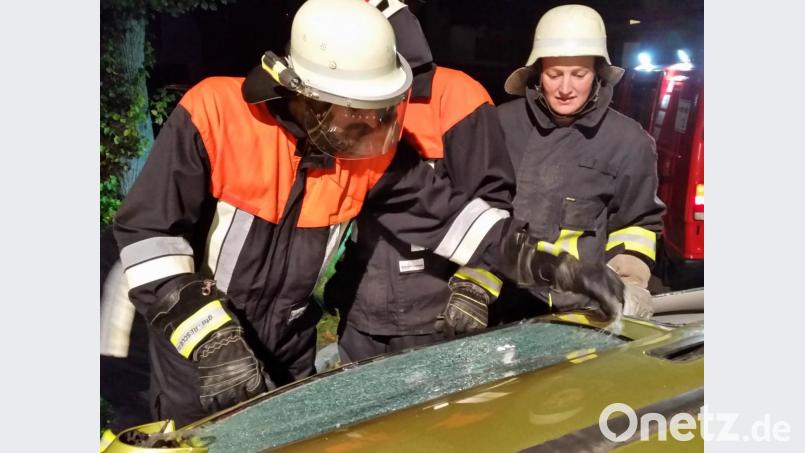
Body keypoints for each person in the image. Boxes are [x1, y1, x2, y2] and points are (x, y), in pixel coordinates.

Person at [113, 0, 625, 427]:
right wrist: (213, 343)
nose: (369, 126)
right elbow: (148, 236)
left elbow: (452, 217)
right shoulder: (214, 115)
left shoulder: (363, 152)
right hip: (199, 348)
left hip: (289, 345)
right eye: (355, 109)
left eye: (378, 111)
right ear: (306, 97)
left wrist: (545, 264)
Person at [323, 0, 515, 363]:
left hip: (437, 315)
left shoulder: (456, 96)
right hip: (362, 309)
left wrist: (476, 284)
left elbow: (492, 202)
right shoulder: (345, 101)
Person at [496, 4, 665, 321]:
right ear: (537, 72)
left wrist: (628, 283)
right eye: (554, 74)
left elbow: (636, 225)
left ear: (598, 73)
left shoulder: (629, 142)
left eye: (579, 74)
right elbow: (480, 213)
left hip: (583, 309)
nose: (564, 88)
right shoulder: (501, 126)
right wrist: (473, 287)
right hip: (504, 305)